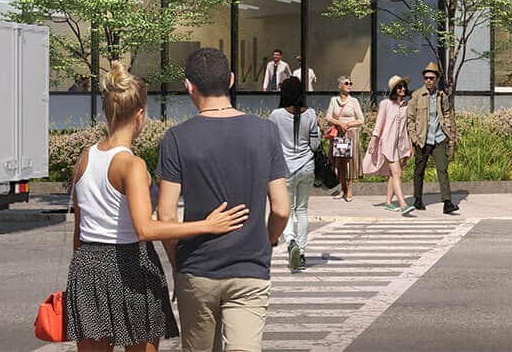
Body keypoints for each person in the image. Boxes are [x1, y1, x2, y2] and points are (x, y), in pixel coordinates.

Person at [63, 61, 248, 352]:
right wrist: (206, 226)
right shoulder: (131, 165)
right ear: (140, 114)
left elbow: (78, 230)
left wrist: (81, 272)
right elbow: (145, 228)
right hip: (129, 265)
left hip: (86, 267)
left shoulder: (84, 158)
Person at [155, 48, 291, 352]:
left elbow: (165, 218)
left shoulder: (177, 138)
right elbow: (281, 209)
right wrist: (265, 240)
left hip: (198, 270)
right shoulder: (266, 131)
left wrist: (179, 266)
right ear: (230, 80)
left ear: (188, 85)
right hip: (251, 270)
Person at [268, 76, 320, 272]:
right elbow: (315, 145)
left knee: (287, 209)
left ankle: (290, 242)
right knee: (302, 210)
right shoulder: (311, 114)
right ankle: (303, 253)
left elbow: (270, 143)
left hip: (285, 169)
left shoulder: (276, 115)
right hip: (307, 166)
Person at [407, 62, 459, 215]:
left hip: (439, 138)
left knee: (442, 170)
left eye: (431, 78)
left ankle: (447, 203)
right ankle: (417, 199)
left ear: (437, 79)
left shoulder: (441, 96)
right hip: (422, 140)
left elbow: (447, 113)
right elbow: (410, 119)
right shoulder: (416, 95)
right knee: (419, 171)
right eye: (426, 78)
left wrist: (448, 130)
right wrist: (415, 138)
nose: (428, 80)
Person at [361, 76, 413, 213]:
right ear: (394, 89)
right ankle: (403, 204)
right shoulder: (385, 104)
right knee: (398, 173)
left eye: (403, 86)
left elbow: (408, 127)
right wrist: (373, 140)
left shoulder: (407, 106)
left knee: (393, 174)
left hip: (402, 145)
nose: (402, 89)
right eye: (399, 87)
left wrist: (410, 146)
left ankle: (389, 202)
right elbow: (379, 123)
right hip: (388, 143)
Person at [322, 76, 364, 203]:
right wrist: (339, 123)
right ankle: (342, 188)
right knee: (339, 162)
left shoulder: (354, 101)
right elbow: (328, 117)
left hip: (350, 134)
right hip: (338, 135)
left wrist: (349, 124)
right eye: (346, 83)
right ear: (340, 86)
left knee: (349, 162)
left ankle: (350, 189)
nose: (349, 85)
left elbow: (361, 119)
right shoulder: (334, 100)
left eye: (350, 83)